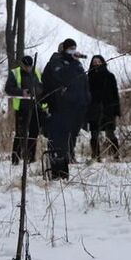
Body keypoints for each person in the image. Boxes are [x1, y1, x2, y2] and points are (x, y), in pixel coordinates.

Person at [41, 39, 90, 179]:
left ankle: (63, 172)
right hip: (58, 107)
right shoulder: (55, 63)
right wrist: (72, 63)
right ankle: (56, 173)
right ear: (63, 49)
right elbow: (61, 77)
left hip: (75, 109)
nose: (73, 51)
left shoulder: (76, 64)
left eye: (74, 48)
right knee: (57, 141)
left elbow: (83, 83)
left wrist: (86, 100)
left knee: (68, 140)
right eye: (70, 48)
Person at [5, 55, 45, 165]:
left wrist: (38, 92)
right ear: (21, 64)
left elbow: (42, 86)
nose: (28, 68)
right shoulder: (15, 73)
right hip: (22, 108)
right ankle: (15, 158)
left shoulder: (36, 72)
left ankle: (31, 158)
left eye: (29, 66)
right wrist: (21, 92)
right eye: (26, 66)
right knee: (20, 133)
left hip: (35, 107)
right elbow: (8, 89)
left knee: (34, 133)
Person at [87, 54, 121, 161]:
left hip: (108, 109)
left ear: (102, 62)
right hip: (93, 109)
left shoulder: (109, 76)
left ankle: (115, 155)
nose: (96, 63)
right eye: (94, 62)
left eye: (98, 61)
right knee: (94, 134)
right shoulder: (88, 77)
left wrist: (116, 110)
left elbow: (115, 93)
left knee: (110, 133)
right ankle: (96, 156)